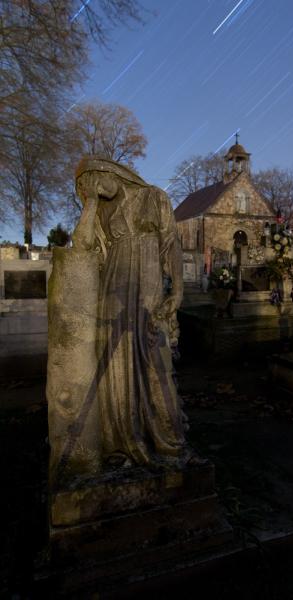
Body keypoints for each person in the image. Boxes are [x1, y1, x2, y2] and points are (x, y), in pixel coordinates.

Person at [73, 156, 189, 468]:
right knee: (115, 365)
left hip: (148, 290)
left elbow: (172, 244)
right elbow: (82, 246)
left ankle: (168, 438)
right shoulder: (100, 209)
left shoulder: (153, 197)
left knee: (155, 361)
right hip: (113, 291)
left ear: (108, 171)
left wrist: (177, 290)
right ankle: (122, 441)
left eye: (93, 182)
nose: (92, 190)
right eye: (84, 188)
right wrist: (90, 204)